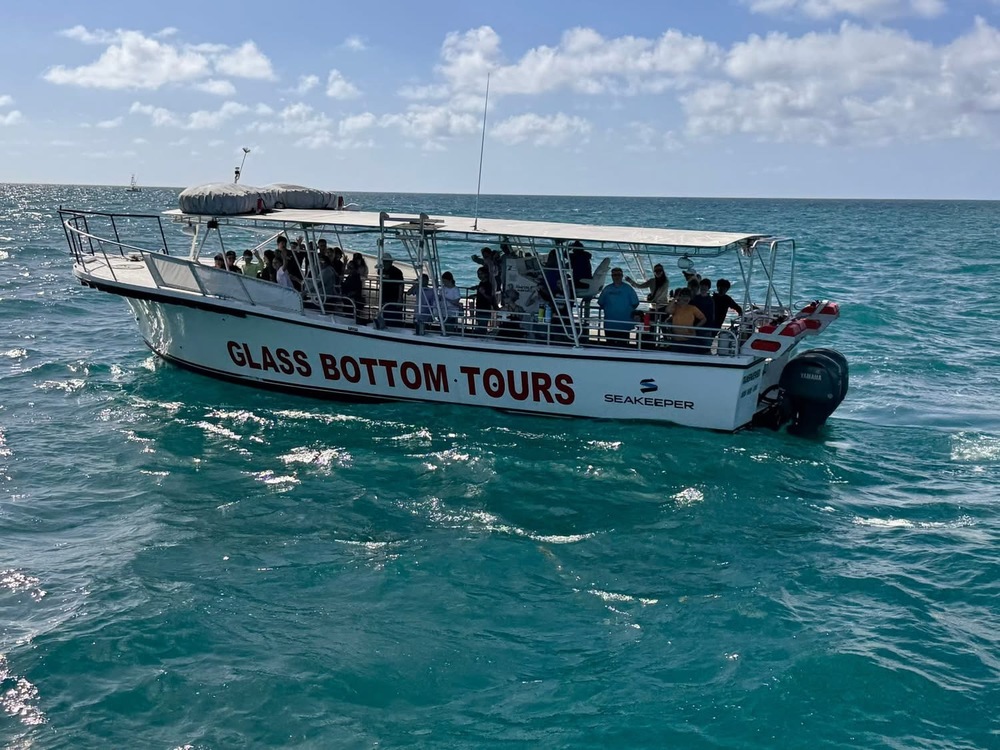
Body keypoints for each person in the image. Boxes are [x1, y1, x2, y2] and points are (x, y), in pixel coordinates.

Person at [597, 268, 639, 346]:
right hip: (610, 324)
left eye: (619, 275)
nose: (617, 277)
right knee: (610, 346)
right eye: (615, 275)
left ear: (622, 276)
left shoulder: (628, 288)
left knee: (623, 347)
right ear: (612, 276)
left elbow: (635, 303)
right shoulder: (607, 289)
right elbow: (601, 302)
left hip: (624, 324)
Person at [626, 264, 671, 331]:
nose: (658, 272)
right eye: (656, 271)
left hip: (662, 306)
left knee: (663, 327)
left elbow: (661, 292)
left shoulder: (666, 281)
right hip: (653, 307)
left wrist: (653, 299)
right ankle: (651, 339)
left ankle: (664, 339)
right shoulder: (652, 281)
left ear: (662, 271)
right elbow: (640, 286)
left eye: (660, 270)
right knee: (650, 326)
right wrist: (631, 281)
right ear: (654, 272)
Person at [666, 288, 707, 354]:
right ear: (680, 296)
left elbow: (703, 319)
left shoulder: (692, 308)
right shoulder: (675, 307)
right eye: (684, 296)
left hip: (689, 339)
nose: (686, 298)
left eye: (688, 296)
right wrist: (675, 299)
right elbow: (667, 310)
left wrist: (695, 328)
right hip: (676, 339)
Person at [380, 253, 405, 325]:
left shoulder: (397, 272)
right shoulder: (382, 270)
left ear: (391, 262)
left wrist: (399, 299)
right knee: (385, 317)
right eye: (384, 261)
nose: (385, 263)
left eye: (387, 261)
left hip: (394, 298)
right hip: (385, 298)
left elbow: (401, 284)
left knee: (395, 319)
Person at [473, 266, 497, 334]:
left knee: (482, 327)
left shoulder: (488, 285)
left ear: (485, 274)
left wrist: (483, 293)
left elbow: (490, 298)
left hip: (485, 309)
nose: (479, 276)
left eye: (481, 274)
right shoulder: (481, 283)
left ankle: (482, 339)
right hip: (479, 308)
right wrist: (475, 295)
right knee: (479, 326)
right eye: (478, 274)